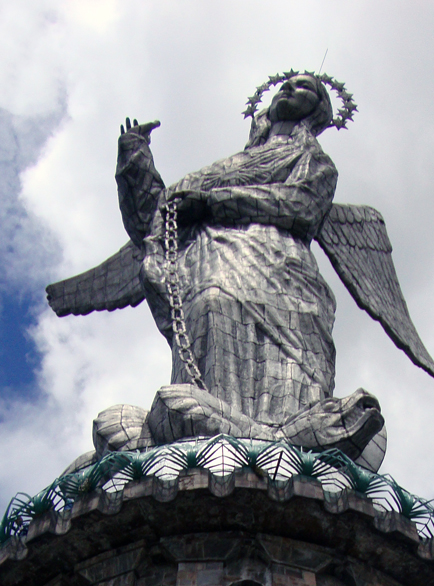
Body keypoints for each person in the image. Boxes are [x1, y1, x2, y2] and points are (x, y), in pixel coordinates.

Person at [116, 74, 341, 433]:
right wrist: (135, 160)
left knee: (279, 355)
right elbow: (157, 217)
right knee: (212, 305)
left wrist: (213, 202)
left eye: (304, 88)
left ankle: (283, 429)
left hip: (278, 264)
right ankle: (214, 422)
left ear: (318, 109)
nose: (288, 88)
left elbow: (301, 205)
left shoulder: (314, 160)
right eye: (285, 84)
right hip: (210, 262)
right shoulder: (228, 166)